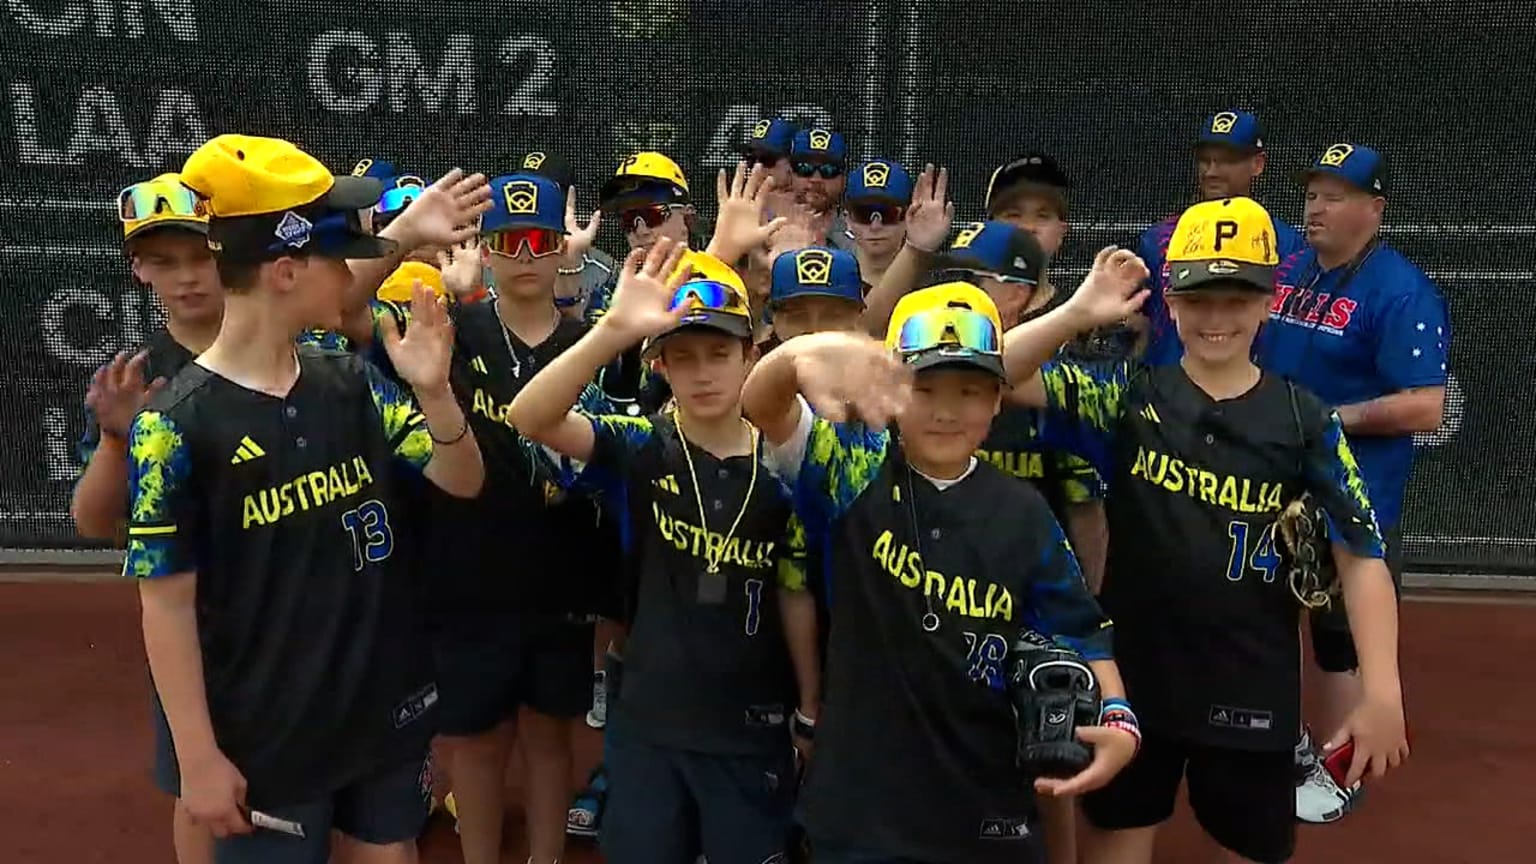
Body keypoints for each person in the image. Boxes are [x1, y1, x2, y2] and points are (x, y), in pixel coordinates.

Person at [1002, 198, 1408, 864]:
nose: (1217, 317)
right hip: (1133, 686)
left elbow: (1360, 555)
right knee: (1116, 840)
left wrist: (1382, 692)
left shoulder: (1304, 420)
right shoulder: (1128, 395)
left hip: (1251, 687)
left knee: (1250, 845)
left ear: (1270, 298)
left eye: (1237, 297)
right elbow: (997, 372)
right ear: (1170, 298)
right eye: (1199, 298)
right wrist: (1078, 312)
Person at [126, 133, 484, 864]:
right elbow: (164, 603)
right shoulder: (173, 427)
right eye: (340, 255)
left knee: (390, 853)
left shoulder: (349, 381)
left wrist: (436, 392)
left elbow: (462, 479)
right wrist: (197, 760)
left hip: (379, 703)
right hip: (267, 728)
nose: (360, 270)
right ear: (287, 271)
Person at [740, 280, 1138, 864]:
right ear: (891, 390)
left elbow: (1079, 629)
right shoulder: (850, 470)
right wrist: (799, 354)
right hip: (863, 799)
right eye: (924, 388)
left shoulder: (1023, 512)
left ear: (999, 399)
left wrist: (1120, 720)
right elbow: (760, 404)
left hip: (983, 798)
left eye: (971, 390)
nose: (947, 411)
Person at [508, 241, 816, 864]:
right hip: (650, 718)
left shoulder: (788, 461)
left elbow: (799, 590)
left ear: (751, 354)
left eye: (719, 353)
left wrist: (809, 707)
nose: (703, 372)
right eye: (682, 357)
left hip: (750, 724)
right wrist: (613, 330)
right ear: (661, 368)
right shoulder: (643, 446)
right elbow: (529, 416)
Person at [365, 171, 615, 864]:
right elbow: (353, 326)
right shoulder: (451, 329)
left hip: (562, 574)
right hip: (466, 570)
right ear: (488, 247)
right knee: (473, 740)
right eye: (511, 240)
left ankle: (544, 857)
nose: (527, 255)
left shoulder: (591, 342)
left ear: (564, 247)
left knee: (548, 737)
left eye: (541, 240)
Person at [1256, 143, 1448, 824]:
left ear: (1375, 207)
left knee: (1340, 637)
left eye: (1335, 195)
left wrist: (1329, 420)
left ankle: (1342, 771)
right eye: (1311, 193)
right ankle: (1293, 744)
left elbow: (1427, 404)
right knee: (1268, 617)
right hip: (1274, 482)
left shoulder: (1400, 291)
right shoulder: (1293, 268)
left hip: (1352, 494)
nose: (1316, 207)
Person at [72, 172, 223, 864]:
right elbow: (93, 522)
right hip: (196, 623)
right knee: (201, 793)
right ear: (139, 269)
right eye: (164, 261)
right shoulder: (135, 377)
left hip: (300, 603)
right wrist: (113, 441)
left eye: (200, 256)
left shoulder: (291, 348)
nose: (187, 278)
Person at [1136, 111, 1307, 366]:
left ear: (1258, 164)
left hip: (1252, 392)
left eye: (1226, 160)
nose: (1212, 171)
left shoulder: (1287, 244)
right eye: (1206, 160)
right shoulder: (1159, 238)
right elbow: (1142, 322)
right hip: (1168, 387)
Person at [766, 246, 866, 345]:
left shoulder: (876, 359)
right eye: (798, 316)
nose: (814, 331)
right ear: (775, 320)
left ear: (859, 320)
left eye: (831, 316)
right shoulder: (756, 358)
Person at [843, 159, 914, 289]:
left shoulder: (932, 285)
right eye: (863, 214)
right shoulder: (834, 283)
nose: (875, 226)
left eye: (888, 214)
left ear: (909, 217)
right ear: (848, 220)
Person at [787, 127, 855, 251]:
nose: (816, 179)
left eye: (828, 170)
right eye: (805, 168)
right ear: (791, 174)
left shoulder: (860, 238)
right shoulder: (765, 231)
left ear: (843, 179)